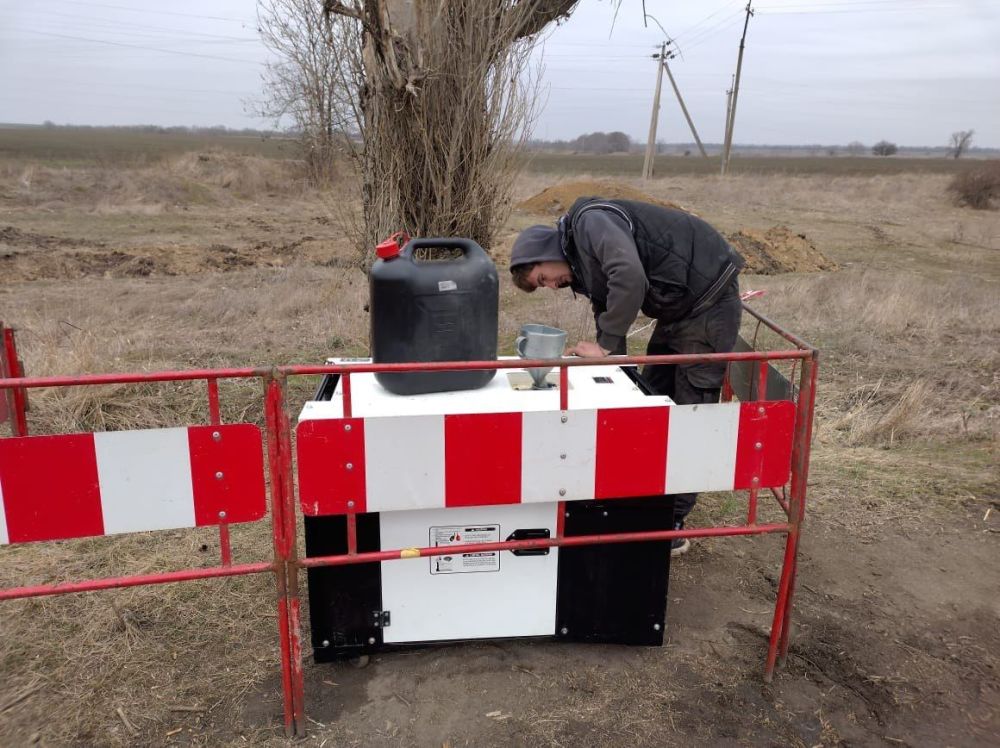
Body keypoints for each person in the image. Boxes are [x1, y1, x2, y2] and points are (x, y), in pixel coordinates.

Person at [509, 197, 745, 556]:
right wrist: (614, 365)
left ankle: (671, 523)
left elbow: (629, 276)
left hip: (708, 302)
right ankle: (648, 500)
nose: (552, 286)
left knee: (691, 411)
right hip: (678, 310)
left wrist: (603, 347)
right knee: (652, 398)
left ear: (544, 250)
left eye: (544, 278)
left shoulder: (590, 223)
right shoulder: (580, 259)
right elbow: (607, 302)